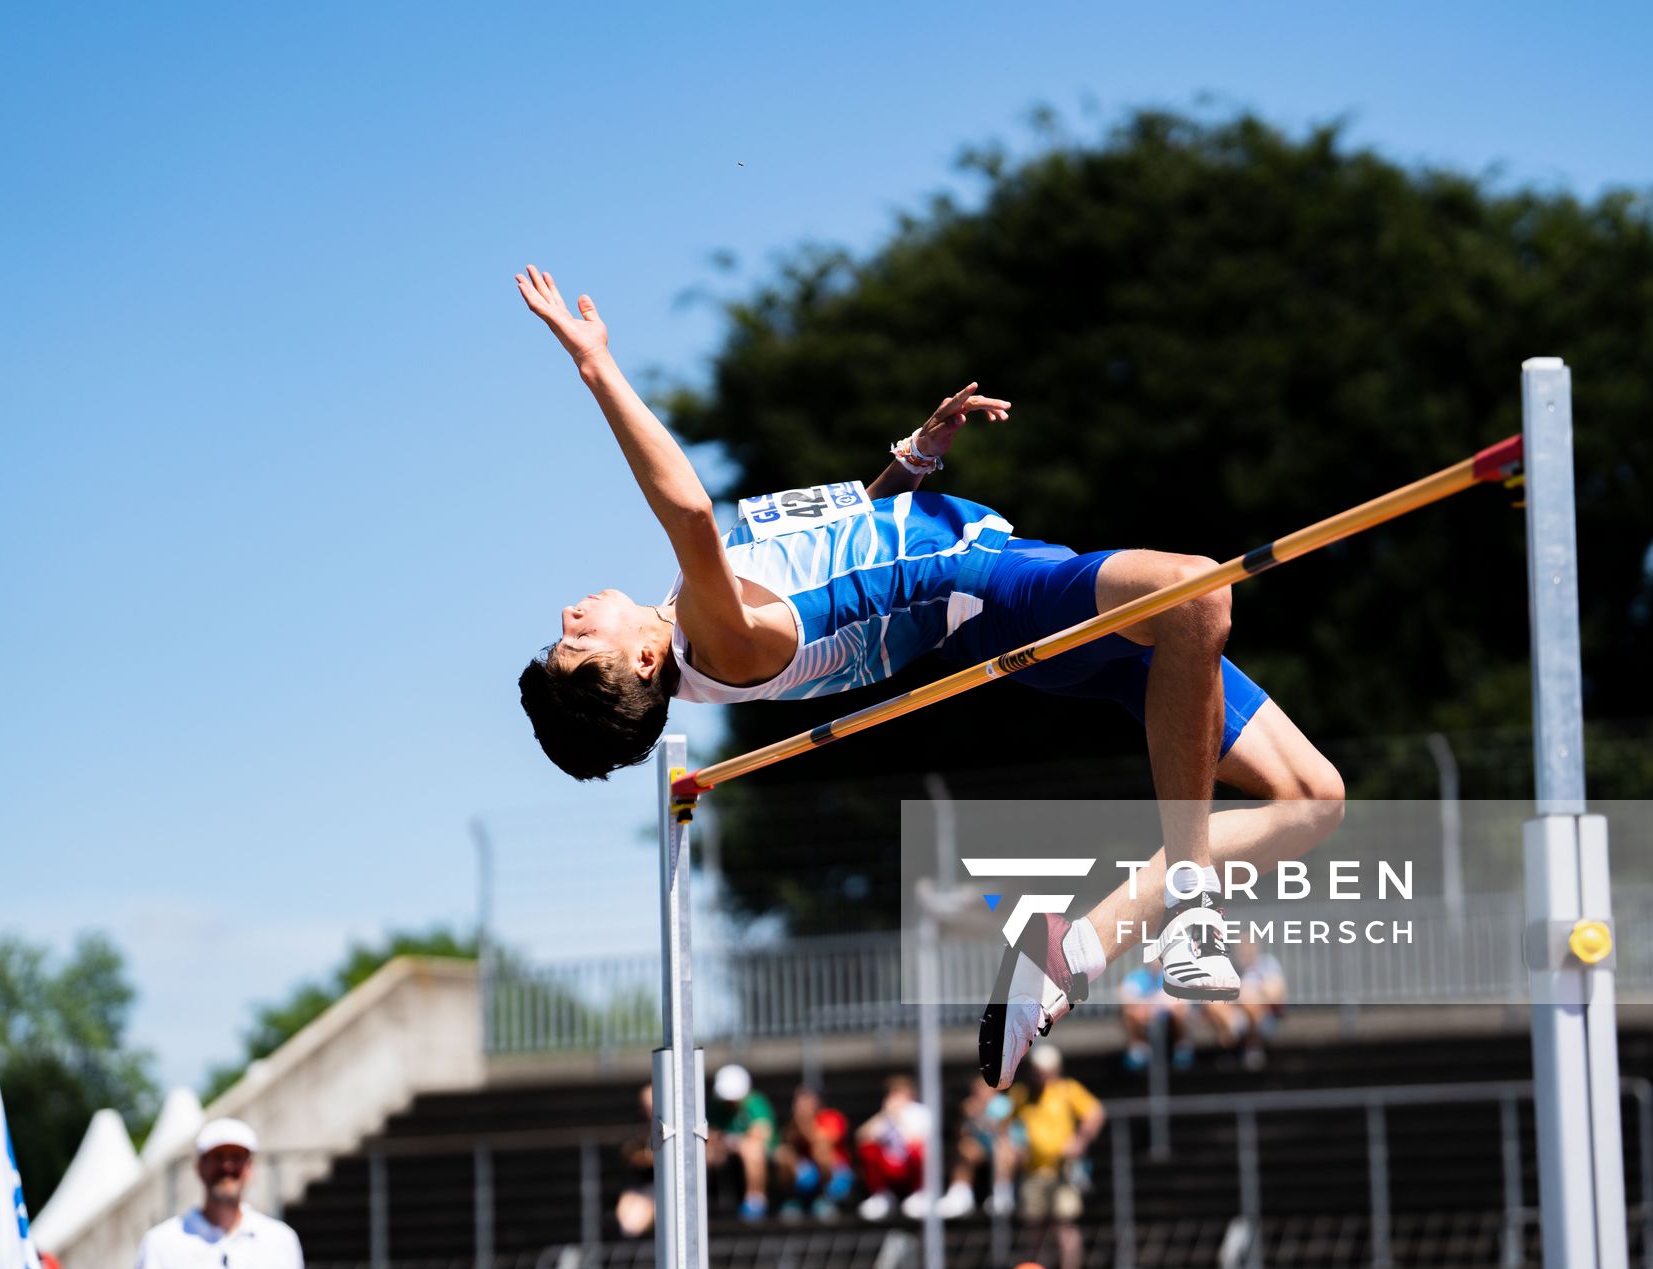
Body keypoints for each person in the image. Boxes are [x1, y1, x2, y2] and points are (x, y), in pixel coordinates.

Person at [510, 269, 1345, 1086]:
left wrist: (911, 464)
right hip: (995, 594)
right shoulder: (713, 640)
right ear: (643, 663)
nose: (568, 621)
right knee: (1196, 592)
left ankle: (1073, 950)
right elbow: (690, 512)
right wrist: (596, 366)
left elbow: (845, 564)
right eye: (577, 647)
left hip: (1001, 576)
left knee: (1312, 799)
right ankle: (1188, 901)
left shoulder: (698, 622)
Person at [133, 1119, 303, 1269]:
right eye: (218, 1157)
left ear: (250, 1167)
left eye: (236, 1157)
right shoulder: (160, 1243)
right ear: (199, 1167)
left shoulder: (281, 1239)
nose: (227, 1166)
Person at [1007, 1046, 1101, 1269]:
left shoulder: (1068, 1090)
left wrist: (1080, 1140)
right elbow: (1003, 1123)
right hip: (1033, 1171)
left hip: (1063, 1170)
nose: (1043, 1075)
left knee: (1065, 1224)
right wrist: (1014, 1147)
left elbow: (1095, 1113)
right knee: (1035, 1227)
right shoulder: (1021, 1094)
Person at [935, 1074, 1016, 1218]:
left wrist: (982, 1114)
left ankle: (1002, 1193)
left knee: (1002, 1150)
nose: (980, 1092)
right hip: (981, 1149)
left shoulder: (1003, 1104)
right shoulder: (969, 1105)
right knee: (964, 1147)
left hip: (1004, 1147)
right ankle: (960, 1192)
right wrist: (966, 1117)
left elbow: (1004, 1132)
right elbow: (961, 1134)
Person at [853, 1075, 933, 1221]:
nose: (895, 1097)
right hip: (890, 1166)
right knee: (868, 1149)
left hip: (911, 1166)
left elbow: (916, 1141)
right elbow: (861, 1137)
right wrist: (884, 1115)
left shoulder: (920, 1112)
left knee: (919, 1150)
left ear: (910, 1094)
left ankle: (920, 1193)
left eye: (899, 1093)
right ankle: (882, 1195)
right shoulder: (886, 1116)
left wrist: (899, 1120)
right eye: (892, 1093)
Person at [705, 1064, 776, 1222]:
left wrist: (733, 1141)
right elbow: (710, 1134)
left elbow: (762, 1134)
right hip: (725, 1152)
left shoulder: (756, 1103)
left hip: (754, 1153)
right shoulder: (717, 1107)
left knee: (752, 1150)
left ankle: (755, 1200)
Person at [1202, 938, 1286, 1070]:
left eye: (1248, 946)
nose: (1245, 951)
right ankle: (1231, 1040)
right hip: (1236, 1015)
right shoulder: (1232, 968)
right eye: (1241, 948)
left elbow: (1275, 993)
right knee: (1212, 1003)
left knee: (1249, 998)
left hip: (1264, 1018)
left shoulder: (1267, 964)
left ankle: (1249, 1045)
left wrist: (1250, 992)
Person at [772, 1084, 854, 1222]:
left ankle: (824, 1198)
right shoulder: (792, 1124)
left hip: (835, 1175)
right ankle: (793, 1199)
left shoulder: (832, 1118)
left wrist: (805, 1124)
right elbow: (786, 1144)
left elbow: (825, 1142)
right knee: (783, 1154)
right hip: (806, 1174)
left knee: (821, 1150)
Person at [1118, 958, 1196, 1073]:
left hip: (1169, 1019)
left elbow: (1183, 1000)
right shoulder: (1137, 977)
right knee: (1129, 1011)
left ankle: (1181, 1044)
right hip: (1144, 1018)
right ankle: (1138, 1045)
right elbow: (1125, 997)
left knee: (1180, 1009)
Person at [614, 1084, 656, 1237]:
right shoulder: (638, 1127)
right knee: (625, 1215)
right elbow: (632, 1153)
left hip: (662, 1186)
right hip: (641, 1184)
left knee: (635, 1220)